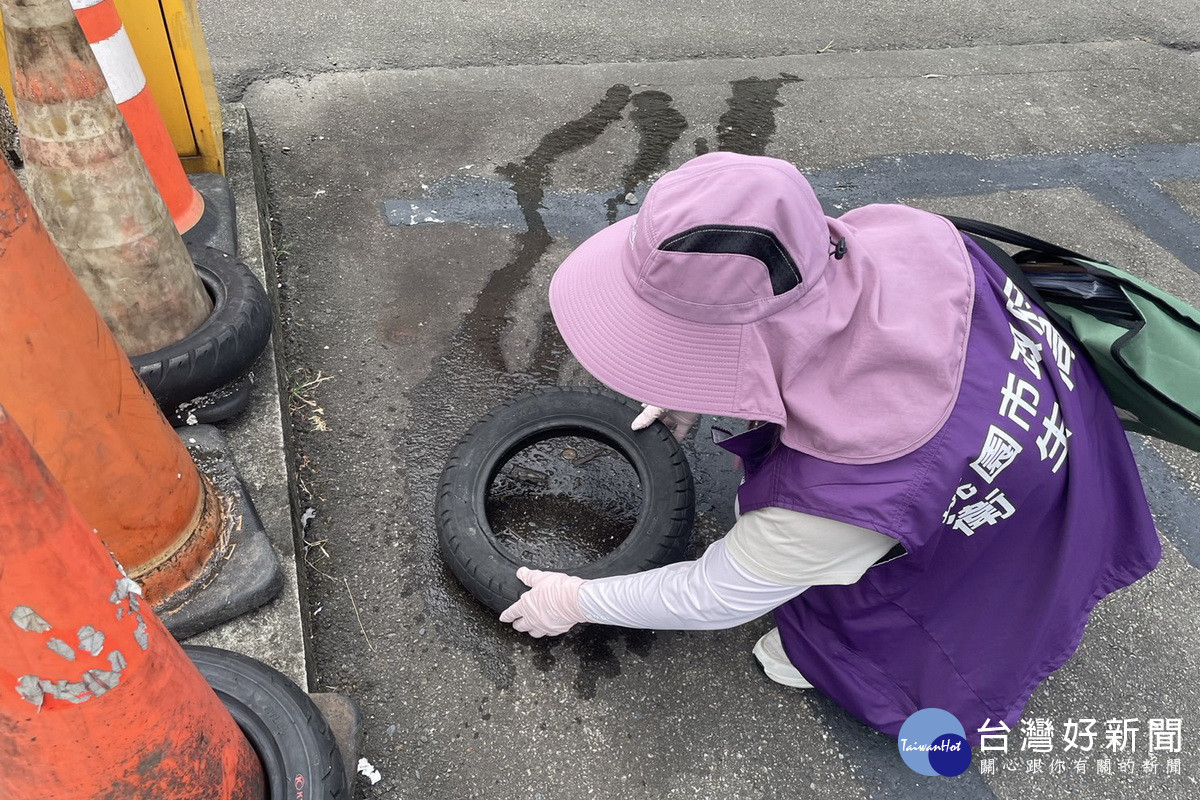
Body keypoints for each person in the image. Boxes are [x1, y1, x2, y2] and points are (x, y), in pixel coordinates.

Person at [498, 151, 1161, 743]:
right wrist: (692, 383)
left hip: (994, 530)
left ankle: (841, 665)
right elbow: (779, 321)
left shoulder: (851, 487)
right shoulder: (907, 240)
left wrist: (575, 600)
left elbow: (717, 595)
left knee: (823, 640)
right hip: (1062, 443)